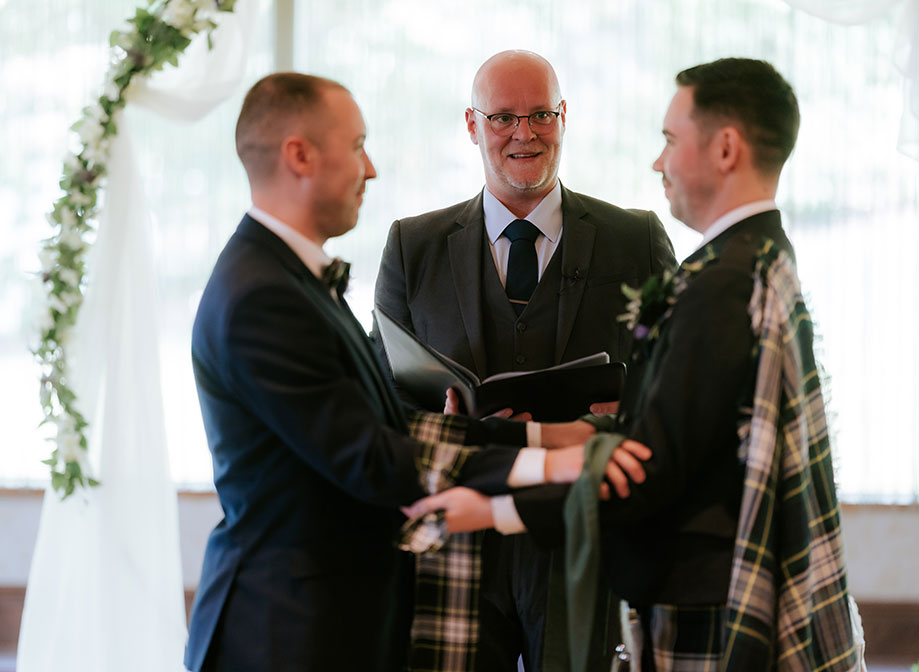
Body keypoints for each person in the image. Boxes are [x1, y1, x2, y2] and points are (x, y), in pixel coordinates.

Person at [407, 58, 861, 671]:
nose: (658, 161)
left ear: (725, 148)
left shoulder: (720, 286)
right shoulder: (764, 261)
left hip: (701, 596)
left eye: (670, 140)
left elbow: (650, 465)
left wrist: (490, 509)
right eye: (504, 117)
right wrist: (493, 432)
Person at [183, 72, 637, 672]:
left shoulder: (286, 278)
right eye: (356, 146)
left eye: (540, 114)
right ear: (298, 155)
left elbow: (383, 420)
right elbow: (373, 456)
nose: (370, 168)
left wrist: (545, 435)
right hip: (284, 627)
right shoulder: (262, 295)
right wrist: (553, 462)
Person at [373, 51, 675, 672]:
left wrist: (633, 405)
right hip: (459, 543)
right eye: (503, 117)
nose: (524, 133)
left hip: (583, 535)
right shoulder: (413, 245)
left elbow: (677, 385)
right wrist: (441, 419)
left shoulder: (635, 238)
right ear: (471, 124)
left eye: (540, 114)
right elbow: (381, 397)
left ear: (564, 117)